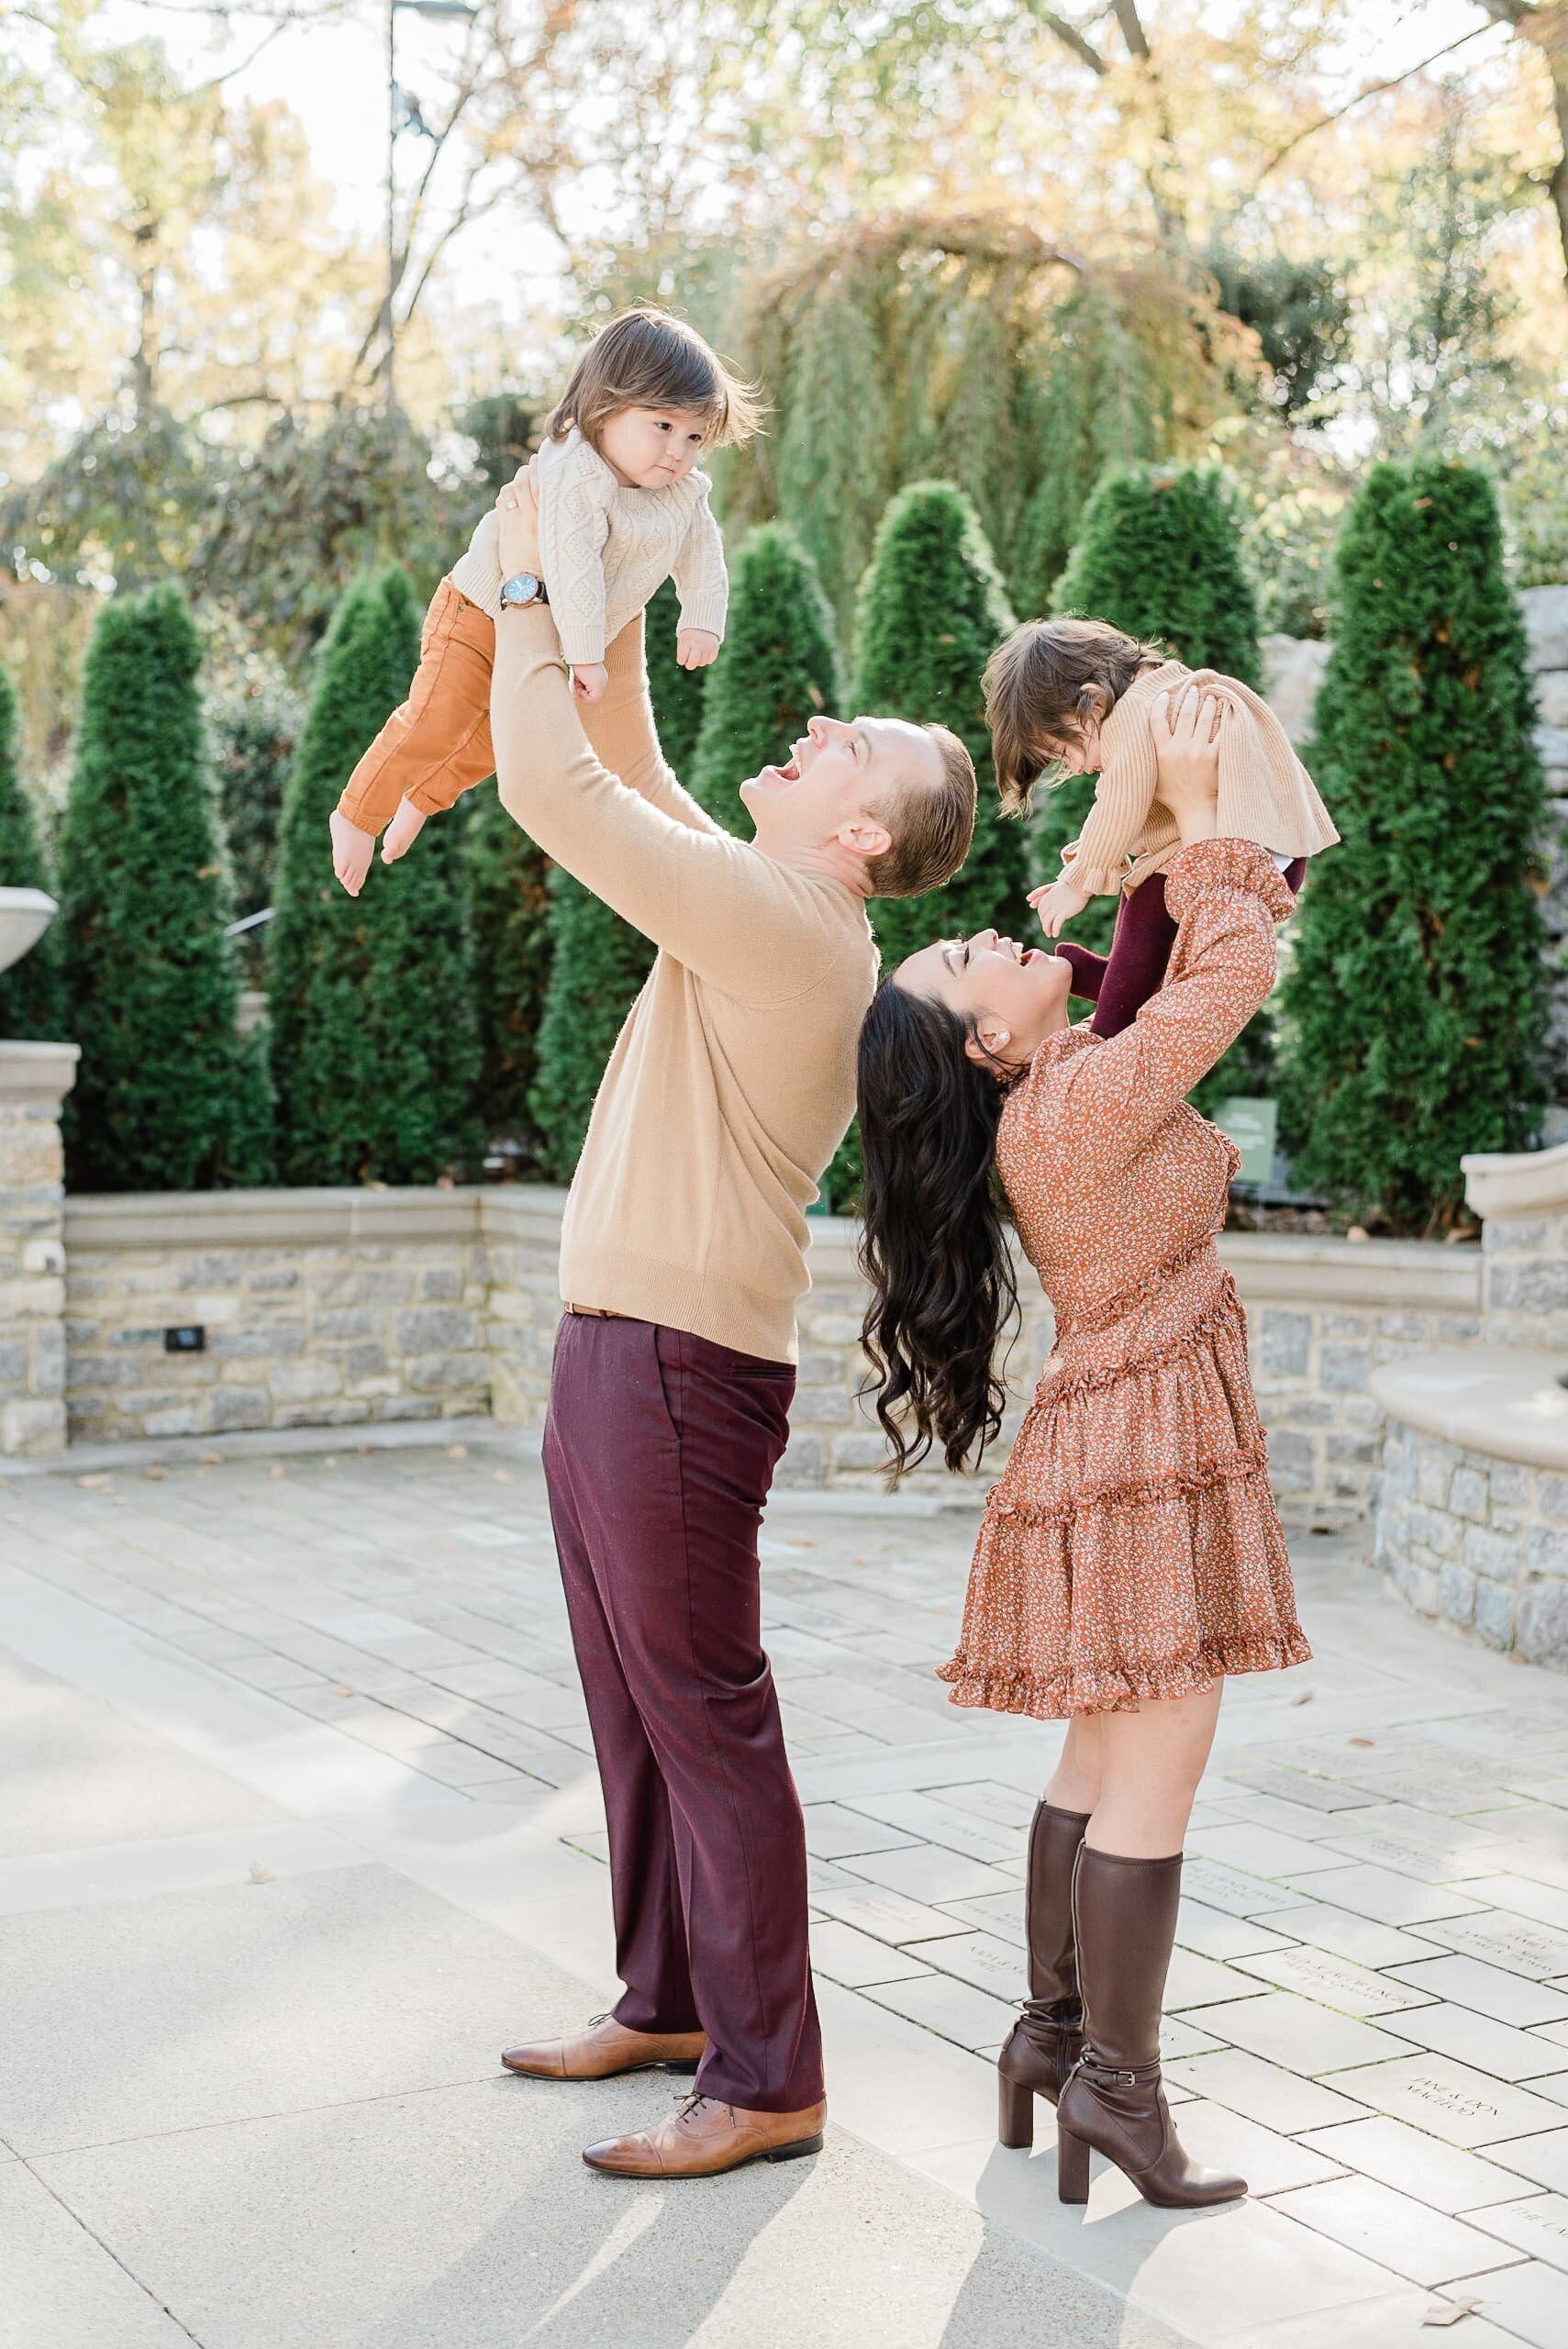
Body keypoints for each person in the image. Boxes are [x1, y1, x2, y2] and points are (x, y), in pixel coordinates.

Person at [483, 462, 979, 2179]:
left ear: (857, 838)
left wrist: (524, 583)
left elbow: (552, 783)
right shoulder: (772, 894)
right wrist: (606, 574)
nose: (824, 720)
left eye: (856, 745)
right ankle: (670, 1997)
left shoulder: (792, 926)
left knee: (701, 1704)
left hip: (676, 1365)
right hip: (615, 1341)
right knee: (628, 1697)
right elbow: (626, 763)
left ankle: (770, 2077)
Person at [854, 686, 1312, 2211]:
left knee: (1100, 1747)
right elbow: (1225, 973)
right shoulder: (1076, 1104)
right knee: (1159, 1756)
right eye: (976, 956)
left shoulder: (1056, 1091)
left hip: (1110, 1424)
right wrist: (1222, 824)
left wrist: (1146, 823)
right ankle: (1114, 2089)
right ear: (986, 1038)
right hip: (1132, 1434)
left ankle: (1050, 2042)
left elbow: (1142, 961)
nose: (999, 938)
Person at [327, 308, 757, 897]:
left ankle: (421, 799)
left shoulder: (681, 491)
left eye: (694, 437)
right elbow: (572, 565)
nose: (678, 452)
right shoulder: (574, 471)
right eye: (662, 425)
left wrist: (702, 619)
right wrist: (585, 657)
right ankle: (356, 813)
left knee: (496, 742)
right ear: (606, 407)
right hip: (480, 614)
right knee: (440, 718)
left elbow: (703, 549)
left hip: (554, 638)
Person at [984, 617, 1338, 1037]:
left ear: (1092, 702)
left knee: (1146, 907)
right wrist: (1080, 864)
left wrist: (1077, 882)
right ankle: (1116, 982)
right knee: (1145, 901)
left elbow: (1118, 803)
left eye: (1065, 751)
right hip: (1268, 846)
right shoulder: (1163, 688)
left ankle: (1107, 1031)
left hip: (1246, 853)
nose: (1077, 769)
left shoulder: (1132, 716)